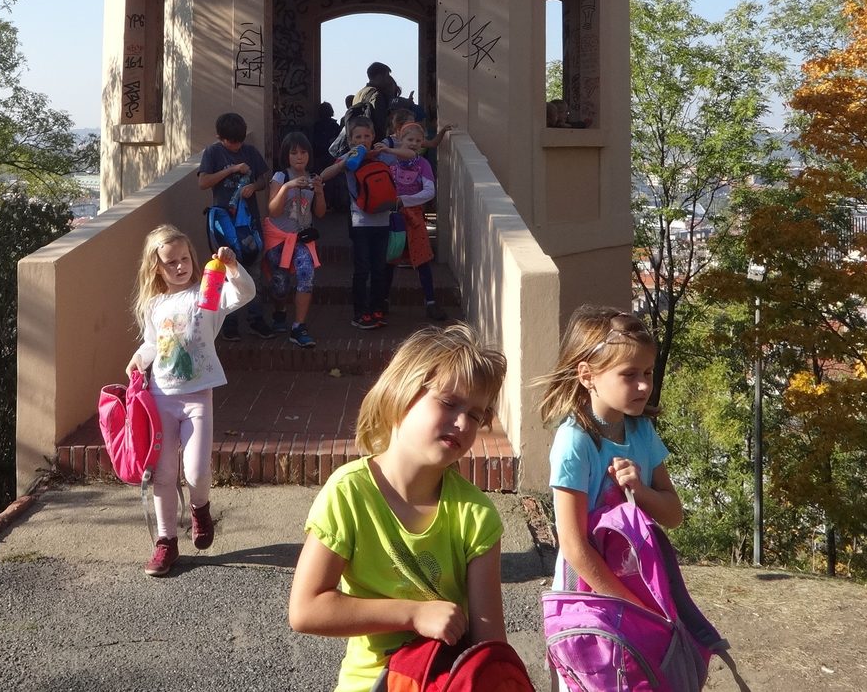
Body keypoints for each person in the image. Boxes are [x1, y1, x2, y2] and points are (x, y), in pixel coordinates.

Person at [288, 324, 509, 692]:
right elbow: (306, 609)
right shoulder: (349, 493)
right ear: (400, 394)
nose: (462, 422)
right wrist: (414, 613)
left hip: (443, 683)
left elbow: (491, 651)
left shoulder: (477, 515)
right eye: (448, 402)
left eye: (475, 414)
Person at [124, 225, 255, 577]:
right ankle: (165, 541)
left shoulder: (205, 294)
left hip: (198, 396)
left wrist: (231, 266)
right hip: (161, 397)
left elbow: (244, 293)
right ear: (156, 267)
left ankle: (200, 508)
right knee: (163, 474)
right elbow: (152, 343)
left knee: (196, 470)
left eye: (184, 258)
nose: (180, 266)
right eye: (171, 262)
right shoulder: (154, 304)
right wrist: (138, 359)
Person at [536, 307, 684, 604]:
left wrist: (641, 491)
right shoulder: (574, 442)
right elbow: (574, 546)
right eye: (629, 374)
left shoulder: (642, 432)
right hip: (587, 601)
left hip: (640, 587)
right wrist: (629, 606)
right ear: (587, 376)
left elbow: (673, 515)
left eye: (647, 372)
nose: (644, 385)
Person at [317, 113, 398, 330]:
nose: (363, 140)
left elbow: (409, 155)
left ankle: (377, 308)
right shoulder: (350, 157)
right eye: (358, 137)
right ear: (351, 139)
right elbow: (325, 174)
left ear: (373, 136)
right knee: (362, 268)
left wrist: (387, 150)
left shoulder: (383, 155)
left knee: (380, 268)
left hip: (383, 220)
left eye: (367, 136)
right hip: (360, 222)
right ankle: (360, 312)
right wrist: (346, 161)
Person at [198, 111, 272, 339]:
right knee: (225, 271)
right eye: (231, 142)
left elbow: (264, 178)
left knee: (254, 270)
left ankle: (256, 318)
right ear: (220, 138)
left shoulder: (250, 152)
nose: (236, 145)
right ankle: (229, 324)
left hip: (248, 223)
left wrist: (254, 187)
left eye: (239, 141)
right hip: (223, 225)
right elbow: (203, 182)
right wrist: (231, 169)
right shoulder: (213, 152)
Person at [265, 131, 325, 349]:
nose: (299, 157)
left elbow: (320, 213)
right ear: (286, 156)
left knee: (306, 275)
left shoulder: (313, 178)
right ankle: (280, 310)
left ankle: (299, 327)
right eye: (294, 153)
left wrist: (319, 192)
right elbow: (273, 211)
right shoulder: (281, 177)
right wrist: (287, 187)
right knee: (280, 285)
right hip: (279, 238)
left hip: (302, 239)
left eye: (303, 152)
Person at [388, 122, 447, 321]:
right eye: (410, 139)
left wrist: (404, 200)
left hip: (414, 217)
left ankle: (430, 302)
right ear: (400, 139)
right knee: (390, 259)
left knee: (422, 260)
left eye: (418, 141)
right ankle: (382, 300)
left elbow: (429, 192)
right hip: (393, 217)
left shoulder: (423, 164)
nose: (414, 143)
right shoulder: (390, 161)